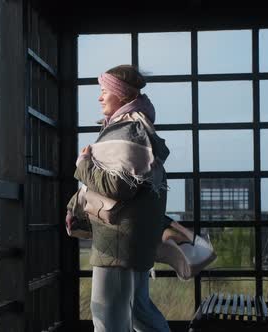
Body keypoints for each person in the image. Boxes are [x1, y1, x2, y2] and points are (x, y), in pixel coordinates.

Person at [67, 64, 171, 331]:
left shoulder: (128, 131)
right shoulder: (138, 126)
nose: (100, 97)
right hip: (133, 238)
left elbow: (117, 187)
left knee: (107, 315)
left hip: (118, 240)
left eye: (104, 91)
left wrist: (84, 163)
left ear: (121, 95)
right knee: (139, 310)